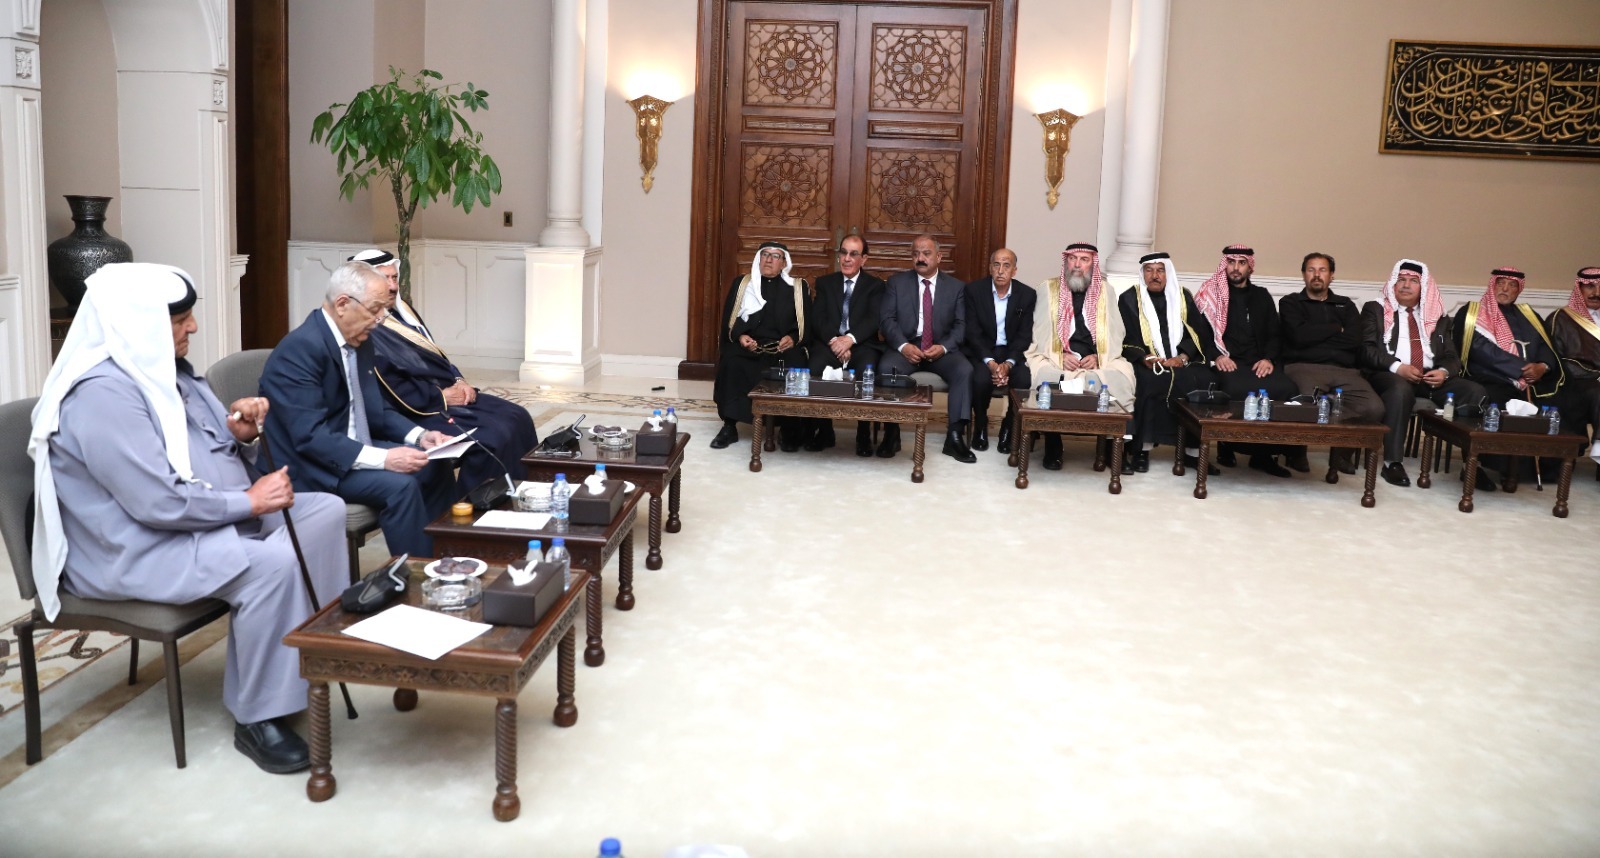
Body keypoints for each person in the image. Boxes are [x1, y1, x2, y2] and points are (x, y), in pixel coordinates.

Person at [29, 263, 347, 774]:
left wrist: (241, 436)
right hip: (133, 549)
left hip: (203, 523)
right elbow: (156, 504)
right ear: (136, 325)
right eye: (179, 320)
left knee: (324, 511)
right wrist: (251, 504)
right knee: (271, 567)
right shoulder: (101, 397)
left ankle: (304, 662)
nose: (192, 327)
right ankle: (259, 717)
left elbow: (215, 455)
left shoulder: (173, 374)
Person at [260, 261, 458, 558]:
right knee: (400, 487)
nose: (379, 320)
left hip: (350, 447)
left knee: (435, 465)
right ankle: (416, 574)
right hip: (310, 466)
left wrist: (420, 436)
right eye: (375, 310)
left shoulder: (358, 339)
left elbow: (376, 409)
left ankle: (444, 560)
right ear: (342, 304)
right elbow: (311, 437)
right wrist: (386, 459)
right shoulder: (299, 351)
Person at [351, 248, 538, 495]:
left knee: (518, 416)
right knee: (493, 436)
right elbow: (391, 389)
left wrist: (459, 380)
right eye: (385, 279)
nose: (393, 286)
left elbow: (434, 355)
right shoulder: (366, 327)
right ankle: (475, 507)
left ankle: (523, 495)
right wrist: (441, 396)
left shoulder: (402, 310)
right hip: (418, 408)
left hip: (441, 394)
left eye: (394, 277)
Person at [1359, 259, 1485, 487]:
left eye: (1413, 281)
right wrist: (1398, 367)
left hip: (1429, 378)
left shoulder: (1437, 316)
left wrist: (1443, 372)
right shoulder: (1375, 309)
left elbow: (1451, 357)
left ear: (1423, 287)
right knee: (1400, 390)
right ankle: (1392, 462)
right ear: (1393, 284)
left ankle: (1471, 465)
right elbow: (1366, 349)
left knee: (1473, 391)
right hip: (1389, 374)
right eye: (1401, 280)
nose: (1406, 285)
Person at [1024, 242, 1135, 471]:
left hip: (1095, 359)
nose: (1077, 264)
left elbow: (1115, 333)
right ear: (1066, 262)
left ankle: (1113, 448)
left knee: (1121, 377)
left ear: (1092, 264)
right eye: (1072, 259)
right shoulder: (1048, 288)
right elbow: (1040, 331)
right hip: (1057, 357)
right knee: (1046, 375)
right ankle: (1053, 444)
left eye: (1084, 259)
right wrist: (1060, 355)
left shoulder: (1106, 291)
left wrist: (1098, 357)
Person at [1193, 244, 1300, 477]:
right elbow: (1200, 335)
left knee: (1286, 388)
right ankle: (1227, 446)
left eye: (1241, 263)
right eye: (1231, 262)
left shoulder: (1261, 296)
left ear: (1250, 267)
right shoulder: (1211, 295)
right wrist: (1217, 356)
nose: (1236, 268)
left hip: (1257, 363)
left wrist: (1268, 359)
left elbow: (1274, 334)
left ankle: (1265, 456)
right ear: (1225, 265)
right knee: (1234, 389)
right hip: (1227, 362)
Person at [1278, 252, 1385, 475]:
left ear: (1332, 275)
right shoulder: (1290, 302)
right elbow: (1298, 337)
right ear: (1303, 274)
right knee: (1305, 404)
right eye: (1311, 270)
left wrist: (1313, 335)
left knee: (1374, 407)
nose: (1317, 275)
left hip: (1345, 371)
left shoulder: (1346, 305)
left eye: (1323, 270)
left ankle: (1342, 454)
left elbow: (1353, 340)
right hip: (1304, 367)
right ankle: (1296, 452)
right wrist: (1336, 328)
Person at [1117, 251, 1219, 473]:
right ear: (1142, 273)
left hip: (1180, 361)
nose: (1155, 275)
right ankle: (1141, 451)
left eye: (1160, 270)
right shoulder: (1129, 298)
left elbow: (1197, 333)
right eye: (1149, 270)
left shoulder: (1183, 297)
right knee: (1148, 381)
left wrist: (1182, 357)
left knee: (1202, 380)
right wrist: (1145, 357)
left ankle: (1193, 453)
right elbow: (1127, 336)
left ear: (1167, 273)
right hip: (1147, 362)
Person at [880, 234, 976, 463]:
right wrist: (903, 346)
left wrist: (944, 347)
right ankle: (892, 433)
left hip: (940, 349)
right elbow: (887, 320)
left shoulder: (956, 287)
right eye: (915, 254)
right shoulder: (896, 283)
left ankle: (954, 436)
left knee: (964, 370)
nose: (920, 258)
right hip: (907, 347)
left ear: (939, 257)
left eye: (926, 253)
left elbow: (961, 325)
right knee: (886, 367)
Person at [710, 242, 808, 450]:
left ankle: (789, 427)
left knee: (797, 363)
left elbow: (807, 325)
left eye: (775, 256)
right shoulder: (743, 284)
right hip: (750, 348)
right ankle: (729, 426)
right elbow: (729, 321)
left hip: (781, 349)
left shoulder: (797, 288)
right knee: (732, 362)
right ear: (758, 259)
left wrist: (792, 338)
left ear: (784, 263)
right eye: (765, 254)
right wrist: (741, 336)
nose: (769, 260)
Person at [805, 235, 886, 455]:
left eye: (853, 254)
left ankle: (863, 433)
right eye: (843, 253)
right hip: (829, 343)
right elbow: (818, 318)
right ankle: (824, 430)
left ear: (864, 259)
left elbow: (874, 319)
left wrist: (849, 339)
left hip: (861, 344)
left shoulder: (875, 286)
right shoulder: (825, 283)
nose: (847, 258)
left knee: (867, 370)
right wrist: (835, 341)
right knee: (816, 366)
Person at [1453, 266, 1564, 408]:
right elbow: (1479, 348)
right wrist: (1523, 369)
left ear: (1518, 290)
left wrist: (1542, 366)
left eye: (1512, 285)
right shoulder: (1472, 312)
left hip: (1533, 380)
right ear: (1492, 285)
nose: (1505, 289)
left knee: (1564, 400)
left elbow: (1545, 344)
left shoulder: (1528, 314)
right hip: (1490, 377)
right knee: (1500, 398)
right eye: (1500, 283)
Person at [961, 248, 1036, 454]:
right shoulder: (974, 291)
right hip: (983, 351)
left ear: (1014, 270)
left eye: (1006, 265)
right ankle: (981, 424)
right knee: (979, 379)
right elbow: (972, 332)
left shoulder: (1027, 294)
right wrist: (991, 363)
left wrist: (1008, 364)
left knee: (1024, 379)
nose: (1000, 270)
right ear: (990, 268)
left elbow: (1024, 335)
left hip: (1012, 352)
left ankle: (1009, 426)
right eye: (996, 265)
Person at [1547, 266, 1600, 462]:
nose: (1596, 293)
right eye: (1590, 286)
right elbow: (1556, 361)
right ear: (1579, 289)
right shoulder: (1561, 319)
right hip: (1578, 381)